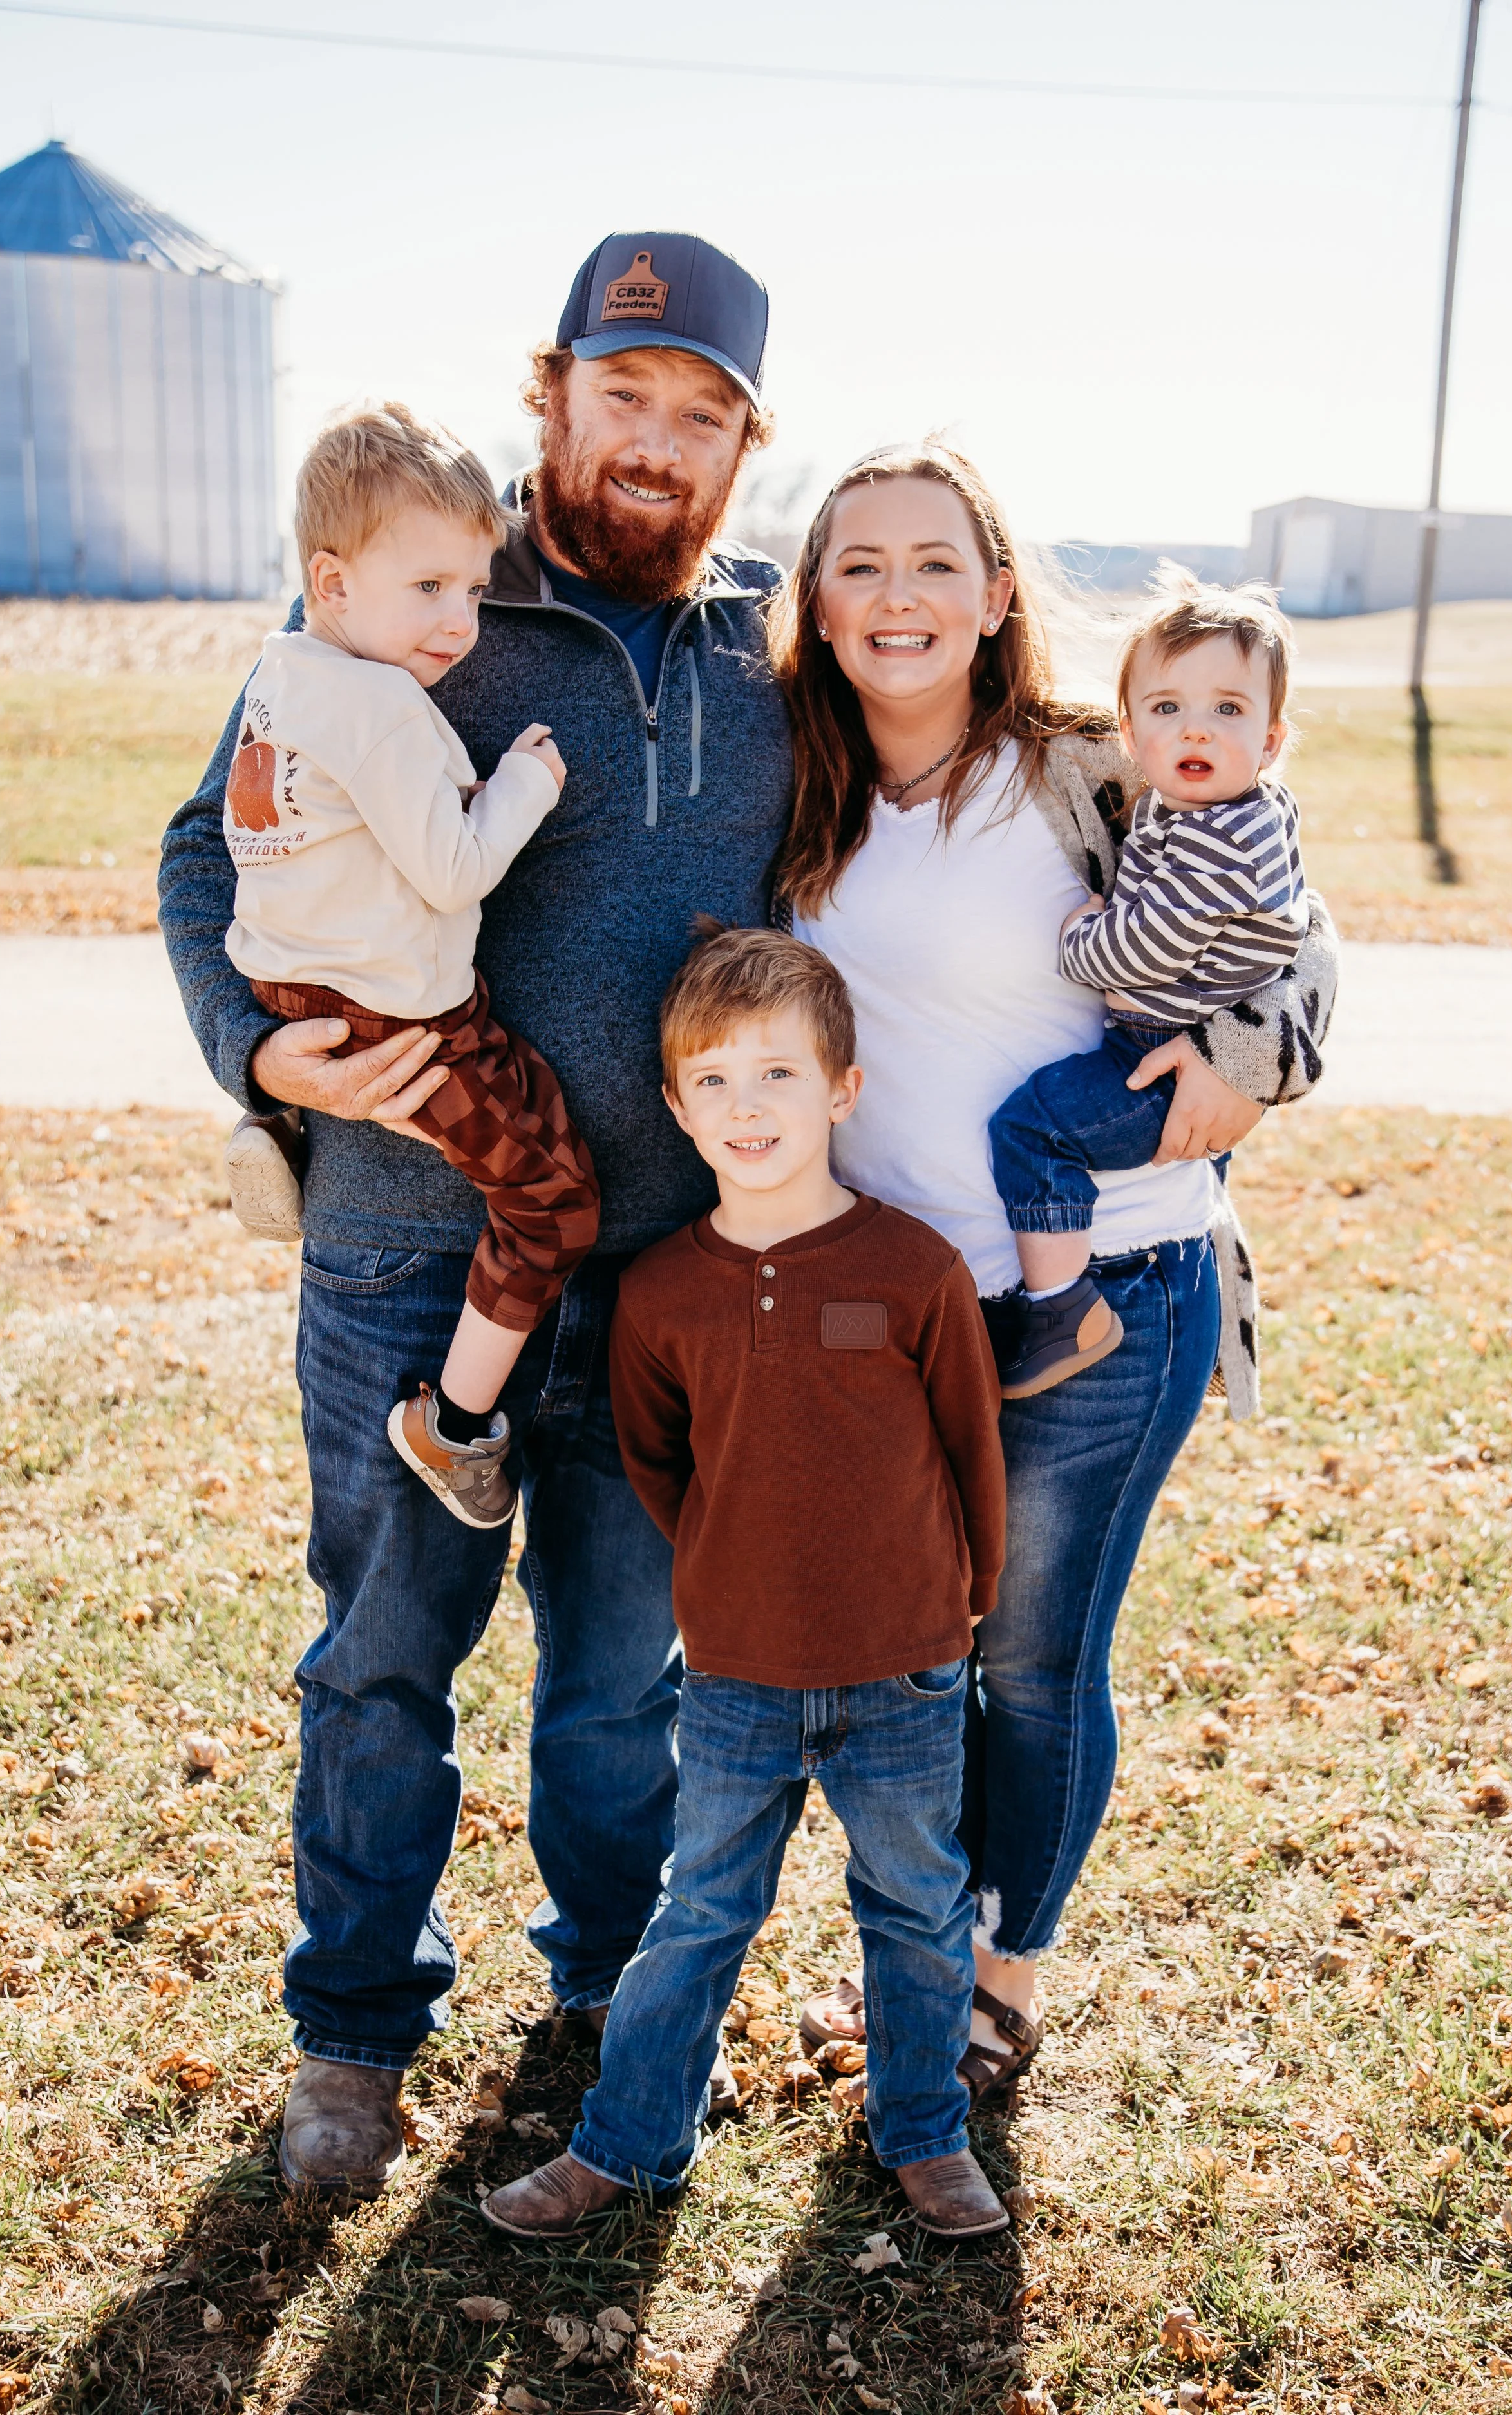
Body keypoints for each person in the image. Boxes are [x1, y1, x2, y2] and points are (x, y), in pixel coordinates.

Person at [158, 232, 792, 2195]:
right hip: (403, 1244)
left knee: (621, 1685)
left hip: (666, 1263)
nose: (654, 441)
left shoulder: (771, 649)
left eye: (700, 414)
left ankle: (609, 1998)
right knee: (379, 1655)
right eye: (623, 393)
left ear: (742, 446)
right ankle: (353, 2031)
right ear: (553, 393)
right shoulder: (418, 589)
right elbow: (204, 847)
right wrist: (257, 1053)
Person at [775, 444, 1338, 2099]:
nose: (898, 595)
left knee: (1029, 1658)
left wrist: (1253, 1058)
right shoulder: (796, 781)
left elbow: (1297, 925)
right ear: (818, 603)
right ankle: (920, 1950)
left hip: (1115, 1290)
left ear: (996, 595)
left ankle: (997, 1978)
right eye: (860, 564)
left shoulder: (1085, 768)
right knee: (914, 1659)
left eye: (935, 563)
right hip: (900, 1305)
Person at [479, 925, 1009, 2241]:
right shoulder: (664, 1294)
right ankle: (625, 2142)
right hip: (734, 1676)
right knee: (699, 1913)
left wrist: (966, 1597)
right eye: (712, 1080)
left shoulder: (911, 1270)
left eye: (777, 1074)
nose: (746, 1106)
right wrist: (729, 1573)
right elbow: (662, 1465)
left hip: (903, 1667)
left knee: (914, 1905)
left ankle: (924, 2131)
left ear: (842, 1089)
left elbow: (969, 1446)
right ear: (675, 1107)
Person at [221, 401, 598, 1530]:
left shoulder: (286, 672)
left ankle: (282, 1131)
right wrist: (524, 785)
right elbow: (451, 870)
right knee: (553, 1202)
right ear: (332, 583)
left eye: (474, 590)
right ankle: (454, 1423)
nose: (459, 622)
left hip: (299, 980)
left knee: (531, 1103)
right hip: (400, 1019)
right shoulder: (383, 703)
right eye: (428, 586)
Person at [984, 575, 1308, 1396]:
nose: (1195, 728)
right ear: (1128, 732)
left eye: (1228, 709)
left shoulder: (1221, 837)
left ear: (1270, 741)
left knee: (1032, 1128)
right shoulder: (1197, 808)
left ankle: (1060, 1307)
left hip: (1160, 1058)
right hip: (1157, 1041)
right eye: (1167, 708)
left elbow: (1137, 954)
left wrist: (1077, 941)